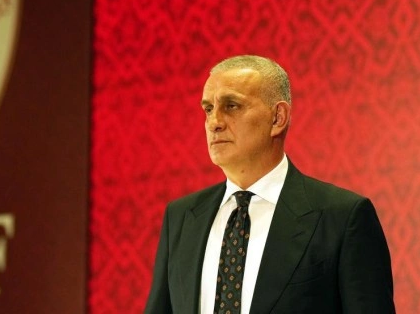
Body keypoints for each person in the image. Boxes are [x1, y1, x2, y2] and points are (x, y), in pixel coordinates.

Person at [144, 55, 395, 313]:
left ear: (278, 118)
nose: (214, 122)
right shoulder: (181, 217)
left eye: (231, 106)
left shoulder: (342, 217)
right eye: (208, 109)